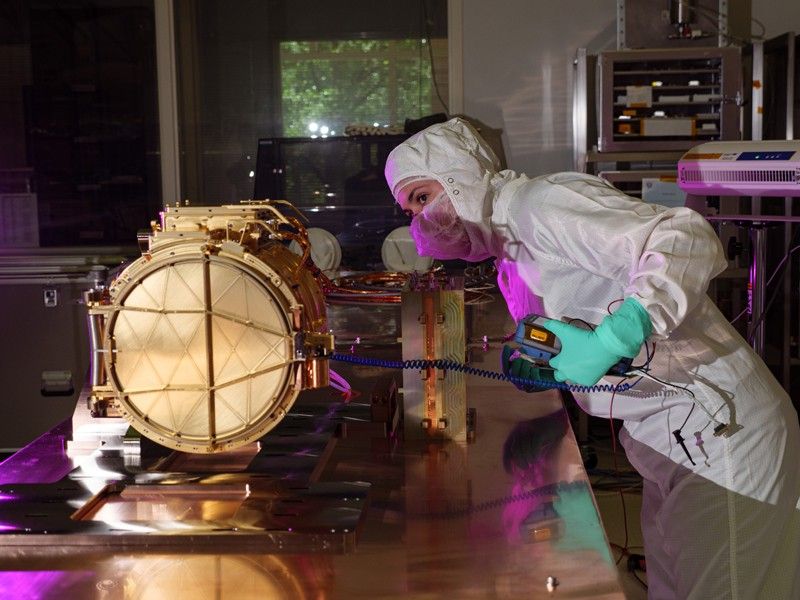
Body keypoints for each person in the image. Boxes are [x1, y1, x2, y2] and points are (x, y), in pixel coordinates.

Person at [384, 117, 800, 599]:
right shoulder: (509, 252)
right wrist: (541, 360)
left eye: (421, 197)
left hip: (723, 427)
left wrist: (614, 338)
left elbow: (682, 238)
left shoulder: (541, 205)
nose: (419, 220)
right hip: (667, 441)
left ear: (457, 173)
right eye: (409, 209)